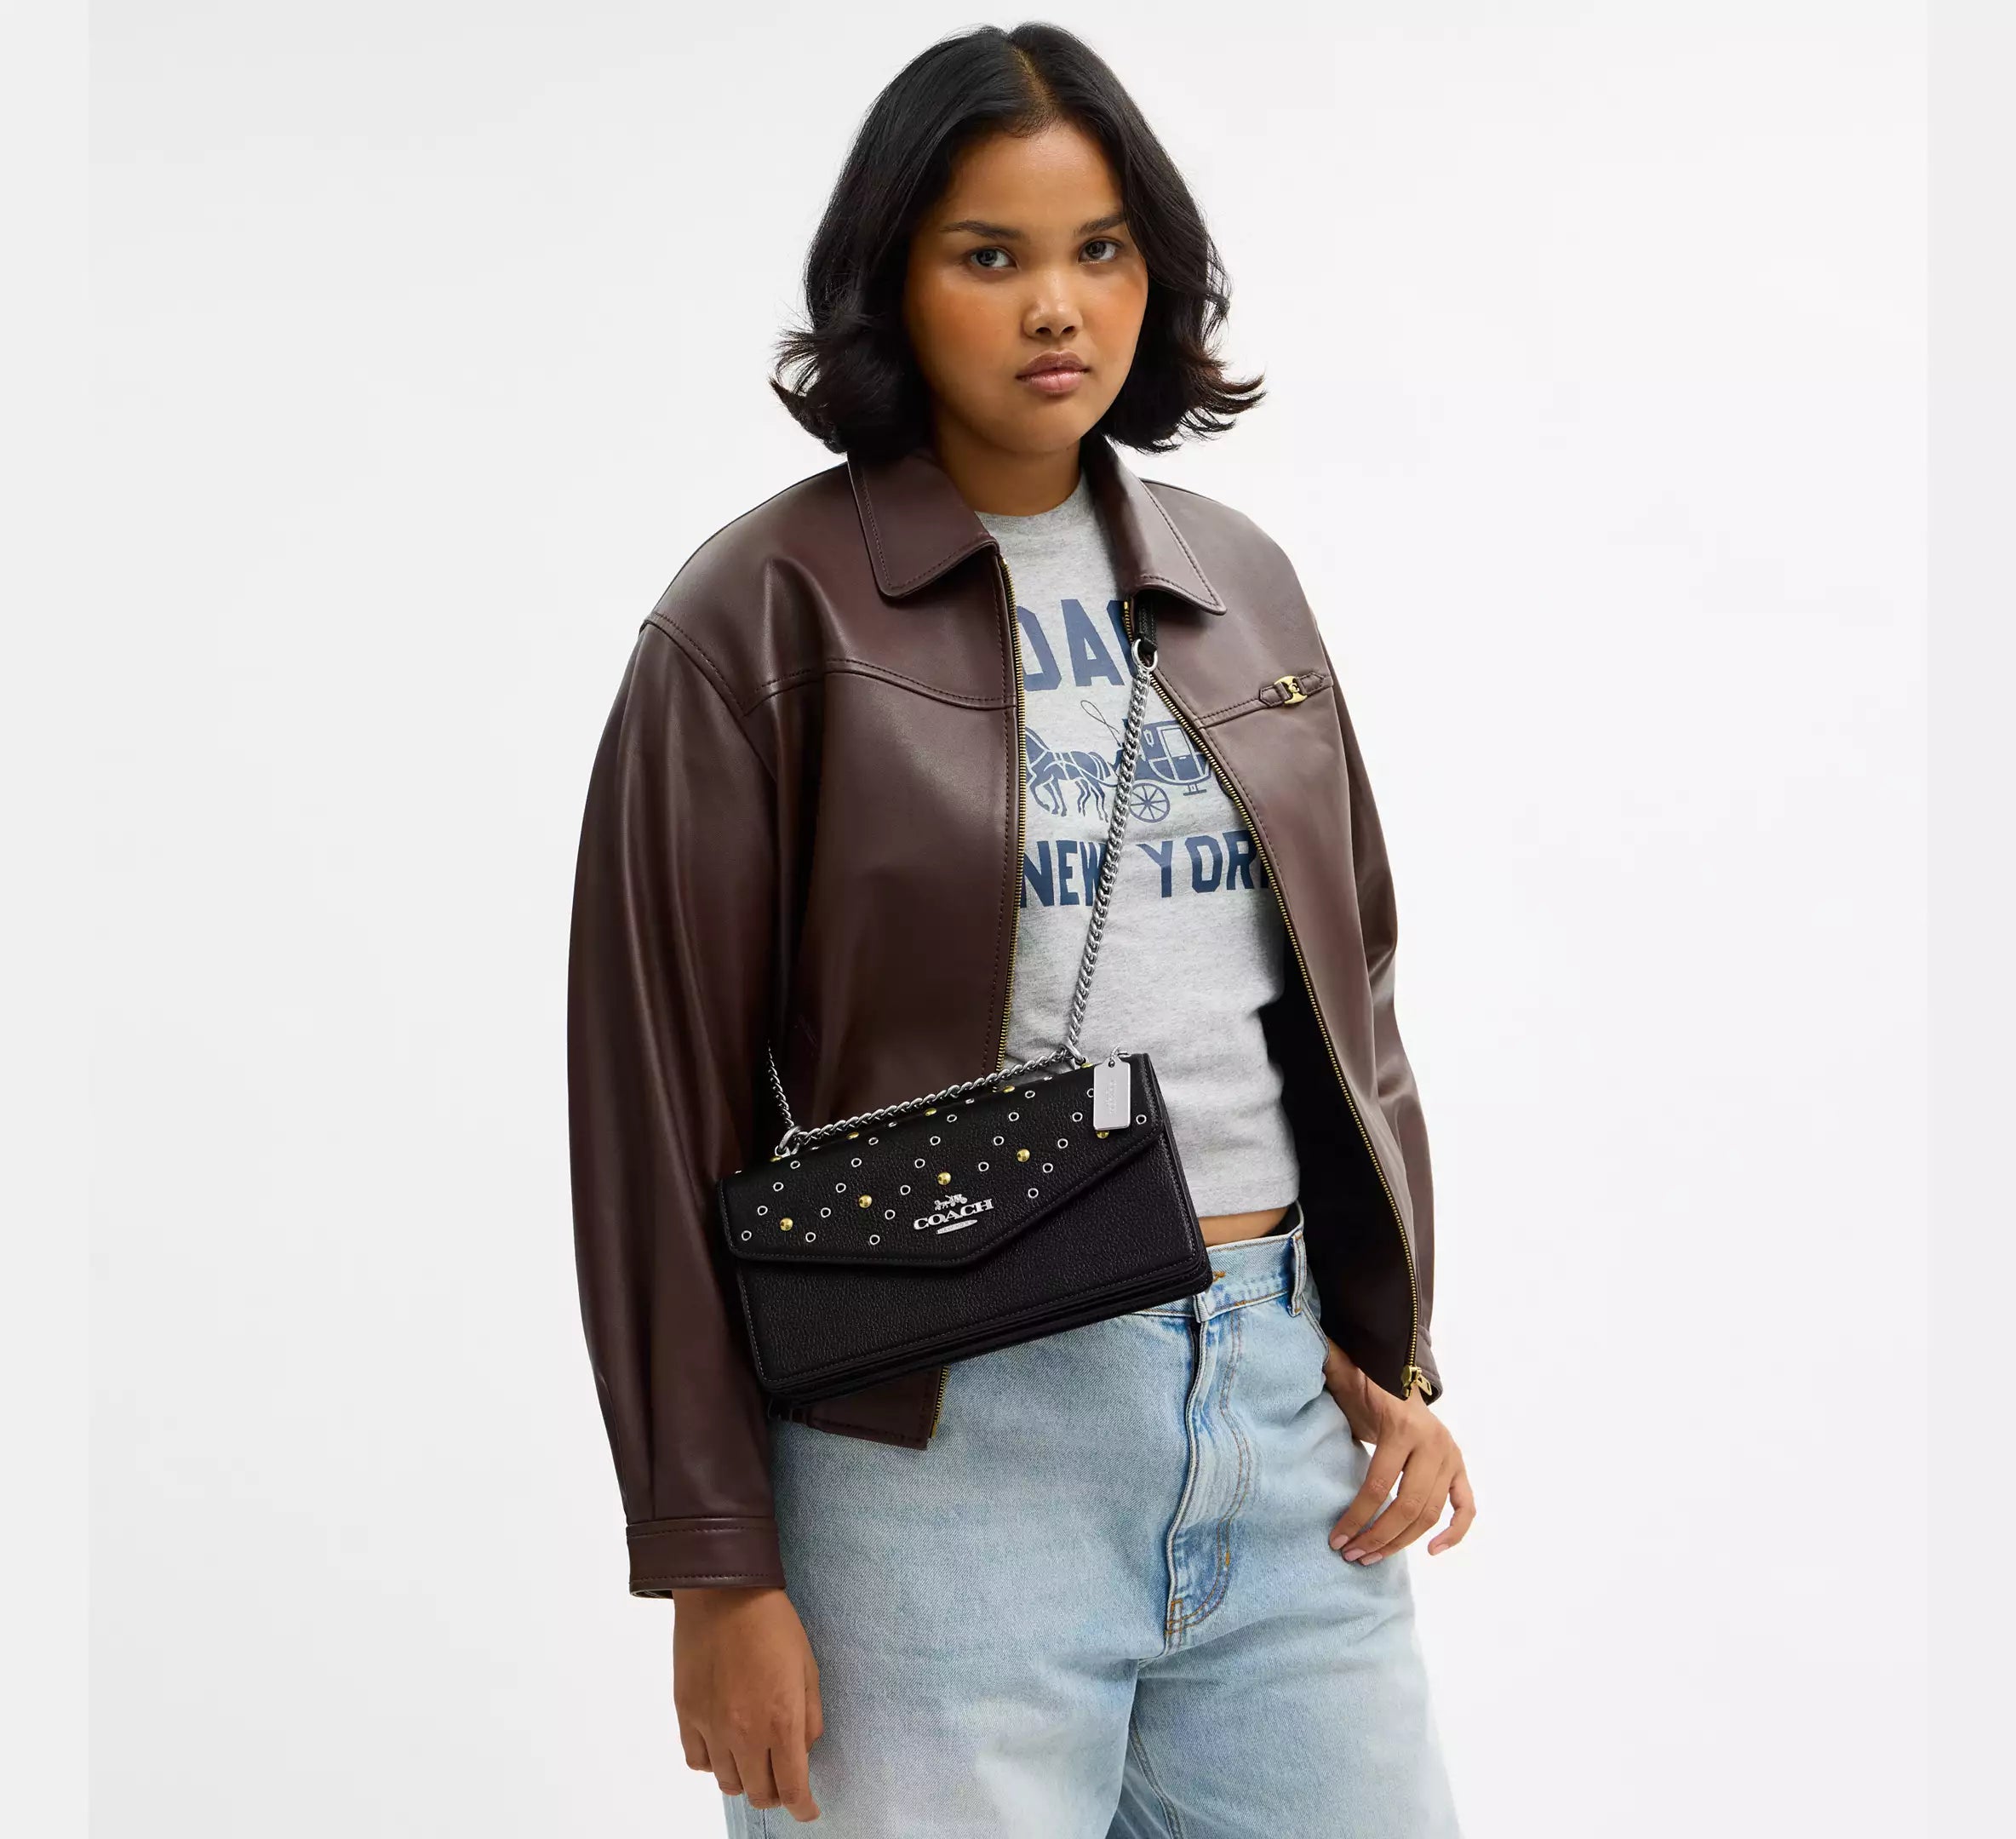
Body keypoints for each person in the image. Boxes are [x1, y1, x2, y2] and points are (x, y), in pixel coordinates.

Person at [567, 21, 1474, 1835]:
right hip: (934, 1452)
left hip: (1274, 1410)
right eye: (989, 256)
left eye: (1099, 250)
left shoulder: (1236, 584)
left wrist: (1390, 1350)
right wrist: (713, 1559)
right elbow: (652, 1103)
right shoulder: (759, 614)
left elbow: (1346, 997)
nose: (1056, 305)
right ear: (891, 284)